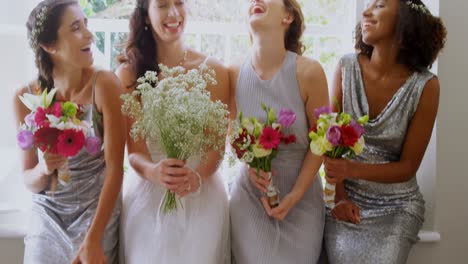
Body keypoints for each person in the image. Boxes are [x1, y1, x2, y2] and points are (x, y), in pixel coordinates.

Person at [323, 1, 447, 263]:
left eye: (378, 5)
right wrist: (340, 199)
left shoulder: (426, 86)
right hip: (347, 198)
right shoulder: (346, 67)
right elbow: (330, 144)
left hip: (398, 206)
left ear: (405, 21)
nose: (366, 12)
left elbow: (408, 167)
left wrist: (350, 169)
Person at [116, 0, 230, 263]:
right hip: (149, 191)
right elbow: (134, 152)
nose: (174, 13)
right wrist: (153, 171)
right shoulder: (128, 74)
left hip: (201, 192)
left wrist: (196, 177)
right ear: (146, 15)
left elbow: (216, 149)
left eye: (179, 2)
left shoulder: (213, 70)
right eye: (163, 5)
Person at [13, 0, 126, 263]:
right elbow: (28, 180)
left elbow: (115, 170)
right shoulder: (25, 96)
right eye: (76, 28)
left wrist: (94, 239)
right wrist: (43, 169)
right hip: (48, 213)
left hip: (95, 212)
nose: (89, 34)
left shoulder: (106, 84)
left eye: (86, 24)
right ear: (49, 46)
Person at [229, 0, 329, 263]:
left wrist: (294, 195)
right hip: (250, 199)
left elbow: (321, 143)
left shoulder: (310, 73)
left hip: (302, 200)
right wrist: (249, 163)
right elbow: (231, 135)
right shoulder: (232, 73)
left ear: (288, 16)